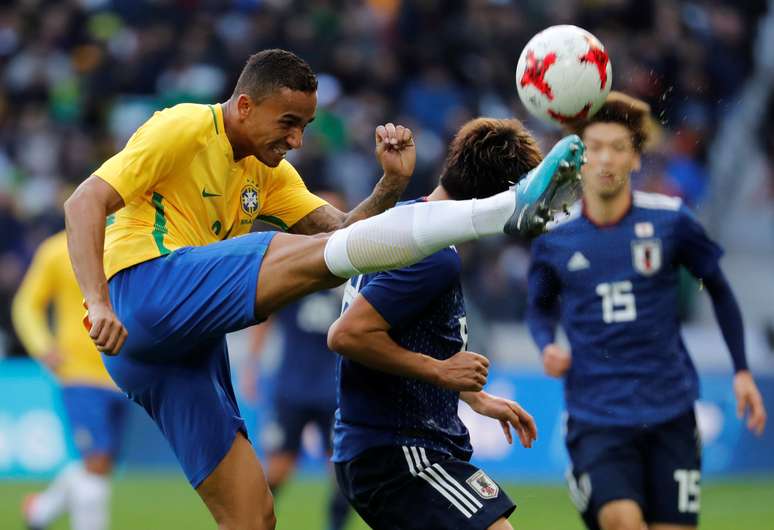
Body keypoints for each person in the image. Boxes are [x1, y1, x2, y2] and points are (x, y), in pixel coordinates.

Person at [63, 48, 582, 529]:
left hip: (176, 349)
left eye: (305, 127)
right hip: (143, 291)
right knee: (292, 254)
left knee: (253, 515)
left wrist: (390, 187)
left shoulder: (269, 173)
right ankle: (498, 210)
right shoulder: (185, 126)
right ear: (244, 105)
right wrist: (98, 301)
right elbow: (83, 201)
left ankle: (495, 211)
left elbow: (347, 237)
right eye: (288, 123)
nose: (296, 140)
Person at [526, 91, 768, 530]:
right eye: (594, 147)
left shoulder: (671, 221)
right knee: (623, 521)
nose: (605, 159)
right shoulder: (555, 238)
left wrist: (742, 371)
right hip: (596, 416)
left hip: (670, 411)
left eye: (618, 148)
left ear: (636, 159)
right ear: (578, 159)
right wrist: (546, 346)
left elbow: (719, 289)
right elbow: (538, 309)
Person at [327, 117, 540, 530]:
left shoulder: (408, 220)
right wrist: (441, 371)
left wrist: (474, 397)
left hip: (388, 449)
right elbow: (348, 334)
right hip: (401, 453)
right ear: (498, 199)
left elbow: (404, 332)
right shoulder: (433, 254)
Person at [240, 191, 350, 530]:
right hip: (293, 385)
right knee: (278, 469)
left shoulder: (351, 268)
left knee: (344, 473)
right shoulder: (294, 266)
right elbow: (265, 316)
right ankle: (248, 521)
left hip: (336, 389)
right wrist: (250, 366)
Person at [12, 230, 129, 530]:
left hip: (123, 375)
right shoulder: (56, 249)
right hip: (78, 373)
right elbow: (26, 303)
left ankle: (39, 510)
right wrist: (42, 345)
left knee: (100, 465)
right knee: (97, 461)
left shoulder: (128, 240)